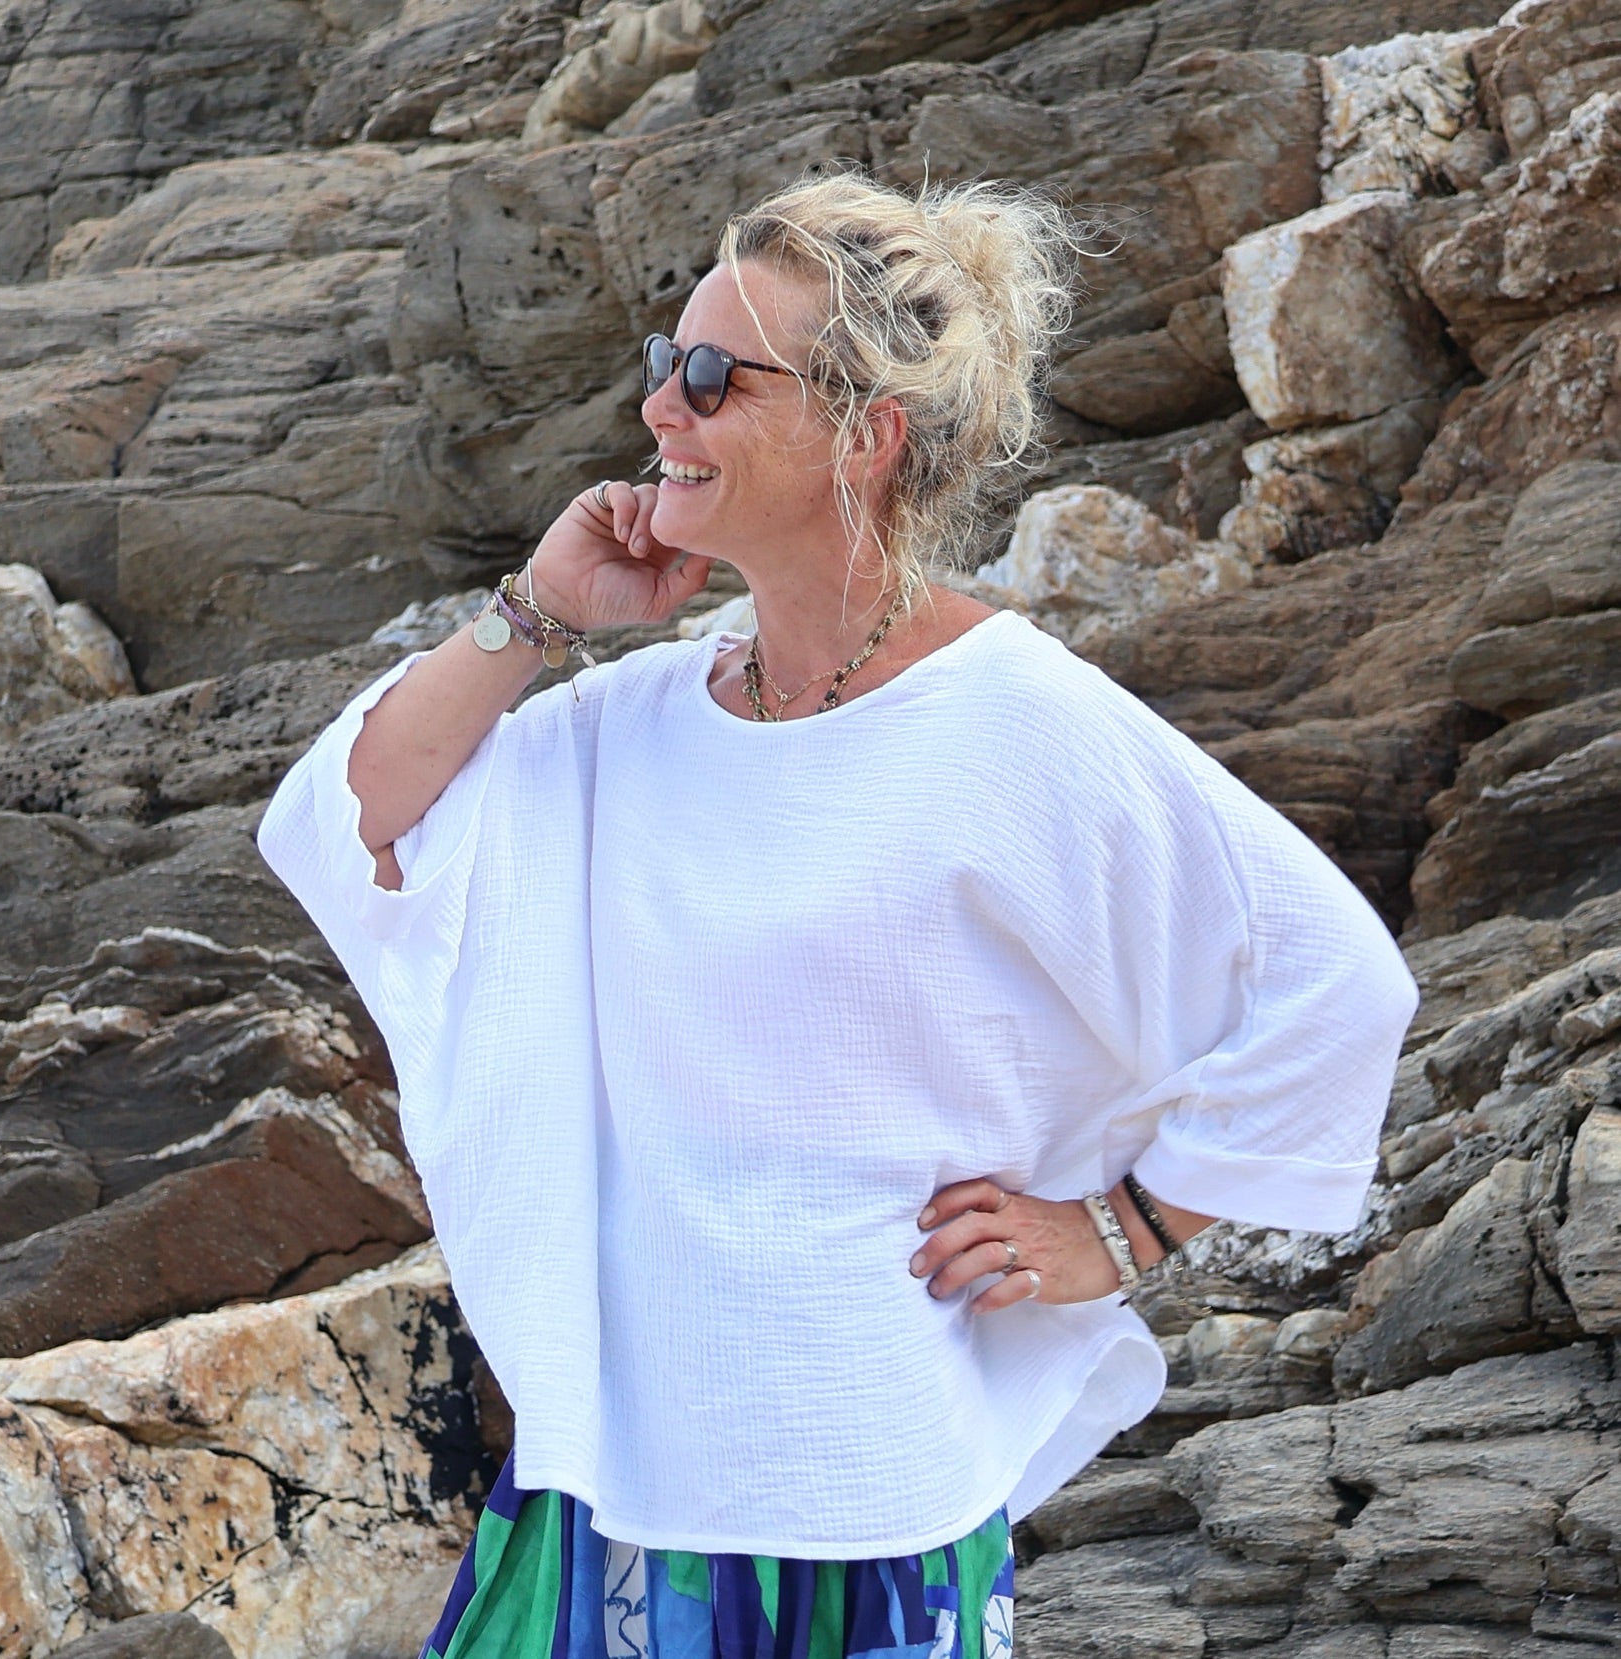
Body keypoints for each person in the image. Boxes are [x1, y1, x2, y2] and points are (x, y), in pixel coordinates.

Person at [256, 168, 1418, 1659]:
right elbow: (354, 821)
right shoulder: (631, 723)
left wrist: (1128, 1228)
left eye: (712, 377)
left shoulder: (1013, 720)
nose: (660, 408)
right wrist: (538, 613)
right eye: (663, 364)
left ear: (866, 435)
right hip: (610, 1474)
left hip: (861, 1486)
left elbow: (1334, 978)